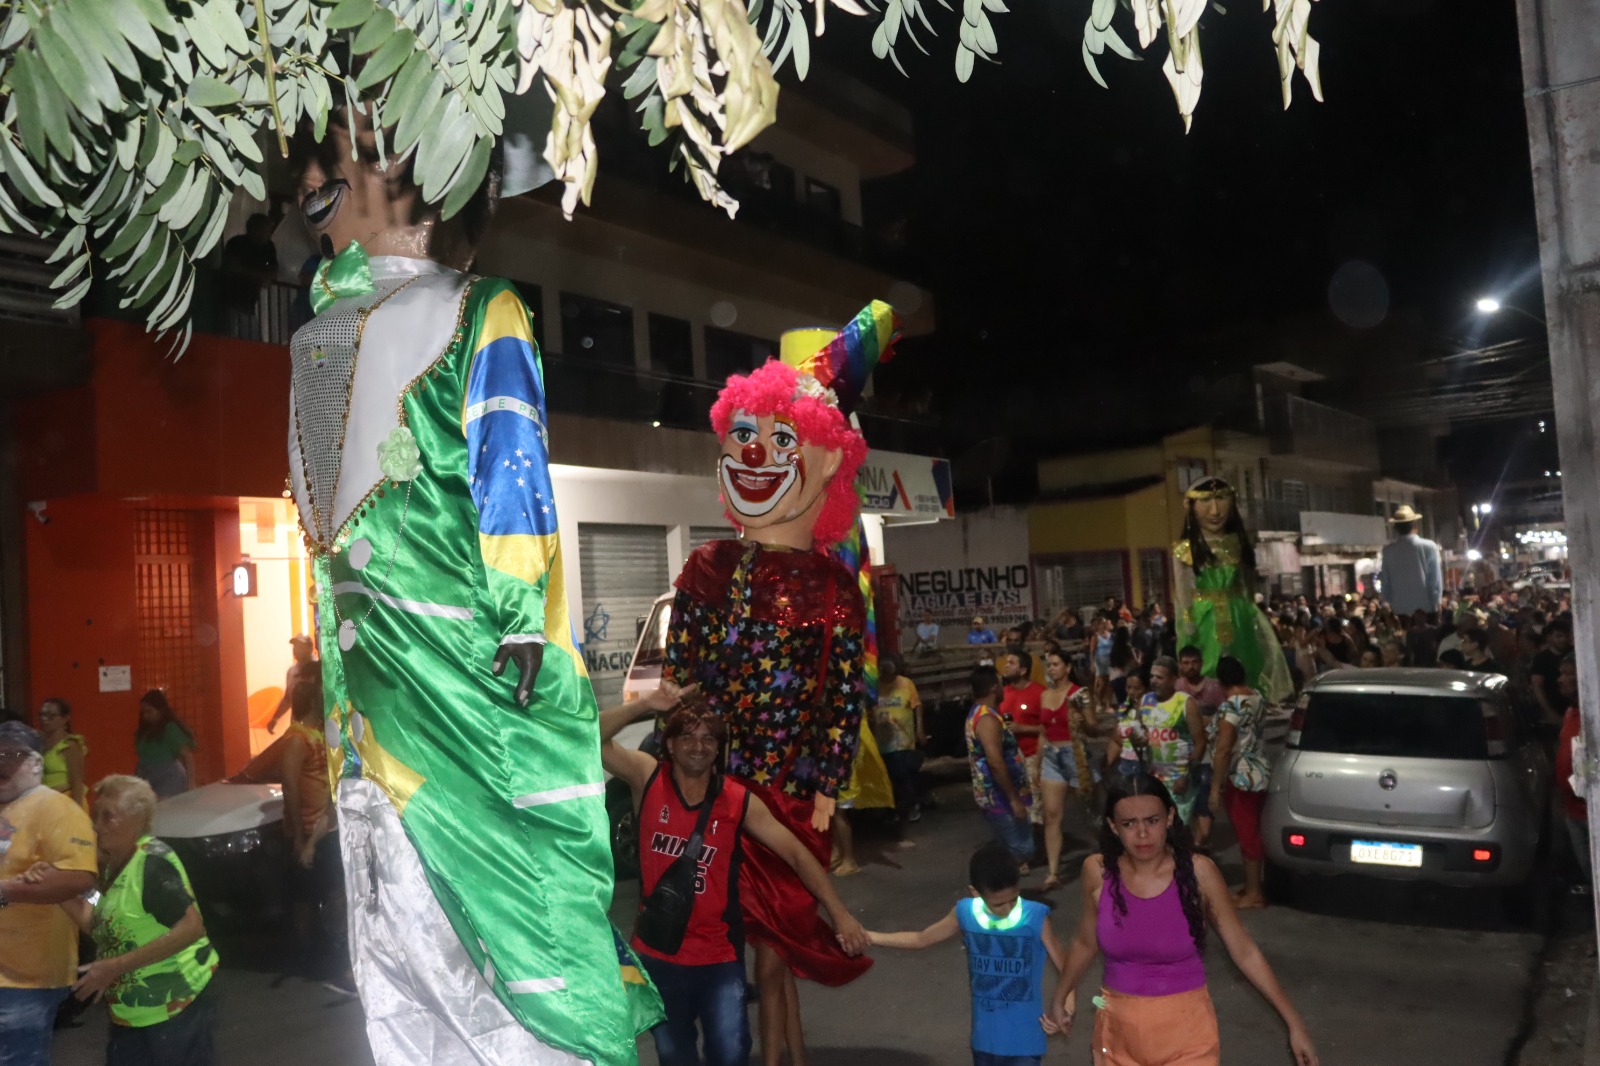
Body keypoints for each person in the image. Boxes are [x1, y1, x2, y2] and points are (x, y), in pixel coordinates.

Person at [599, 685, 869, 1066]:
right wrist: (644, 703)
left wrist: (839, 913)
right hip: (658, 954)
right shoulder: (648, 777)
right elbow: (589, 735)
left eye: (709, 739)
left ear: (719, 750)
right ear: (670, 745)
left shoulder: (737, 801)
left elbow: (796, 853)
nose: (698, 746)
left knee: (730, 1055)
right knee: (675, 1057)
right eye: (687, 737)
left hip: (718, 960)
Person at [1048, 773, 1318, 1066]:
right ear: (1113, 827)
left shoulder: (1199, 872)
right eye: (1129, 824)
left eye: (1152, 820)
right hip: (1117, 1035)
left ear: (1169, 817)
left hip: (1188, 1036)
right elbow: (1085, 943)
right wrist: (1060, 997)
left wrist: (1294, 1024)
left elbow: (1244, 950)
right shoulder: (1097, 871)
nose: (1142, 833)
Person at [54, 775, 218, 1065]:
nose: (97, 825)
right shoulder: (113, 863)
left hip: (175, 1006)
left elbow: (192, 928)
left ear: (138, 819)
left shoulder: (152, 864)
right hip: (133, 1012)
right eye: (96, 814)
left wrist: (115, 966)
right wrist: (59, 892)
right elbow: (102, 921)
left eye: (108, 816)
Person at [866, 843, 1069, 1066]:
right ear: (975, 893)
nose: (1007, 909)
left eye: (1013, 899)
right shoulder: (964, 912)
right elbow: (921, 938)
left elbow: (1067, 968)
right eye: (998, 904)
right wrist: (871, 937)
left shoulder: (1036, 916)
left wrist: (1066, 1008)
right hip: (984, 1041)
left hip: (1025, 1042)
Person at [0, 721, 98, 1066]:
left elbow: (77, 878)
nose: (3, 763)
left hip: (27, 977)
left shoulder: (57, 809)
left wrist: (5, 891)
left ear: (36, 764)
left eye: (13, 755)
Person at [1173, 478, 1294, 703]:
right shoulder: (1184, 549)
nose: (1215, 511)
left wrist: (1251, 610)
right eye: (1206, 502)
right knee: (1206, 663)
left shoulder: (1238, 543)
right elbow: (1182, 591)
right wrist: (1188, 620)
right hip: (1203, 617)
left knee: (1247, 660)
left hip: (1239, 615)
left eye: (1221, 501)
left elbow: (1247, 584)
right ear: (1192, 507)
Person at [1207, 656, 1272, 909]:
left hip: (1241, 776)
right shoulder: (1256, 697)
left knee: (1247, 833)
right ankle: (1251, 886)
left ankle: (1254, 893)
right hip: (1260, 770)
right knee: (1253, 830)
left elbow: (1224, 749)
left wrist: (1215, 787)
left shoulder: (1231, 706)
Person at [1038, 649, 1099, 890]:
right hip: (1052, 756)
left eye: (1056, 664)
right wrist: (1038, 764)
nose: (1051, 669)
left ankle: (1107, 849)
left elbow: (1093, 728)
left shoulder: (1079, 694)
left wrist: (1085, 722)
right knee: (1051, 815)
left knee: (1090, 812)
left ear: (1067, 667)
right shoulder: (1045, 695)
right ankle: (1053, 872)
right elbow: (1043, 731)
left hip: (1076, 754)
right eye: (1049, 665)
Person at [966, 666, 1033, 867]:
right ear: (994, 688)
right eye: (1001, 684)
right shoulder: (986, 719)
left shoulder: (984, 714)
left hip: (997, 795)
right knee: (1021, 848)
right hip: (999, 796)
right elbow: (995, 762)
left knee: (1012, 847)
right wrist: (1014, 799)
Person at [1138, 657, 1206, 827]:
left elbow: (1200, 743)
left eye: (1159, 677)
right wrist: (1137, 740)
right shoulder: (1145, 701)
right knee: (1157, 827)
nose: (1154, 681)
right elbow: (1140, 735)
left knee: (1178, 828)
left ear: (1174, 679)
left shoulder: (1185, 703)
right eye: (1152, 676)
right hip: (1154, 779)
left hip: (1179, 780)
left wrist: (1185, 776)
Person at [1175, 645, 1225, 850]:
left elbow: (1225, 717)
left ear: (1201, 663)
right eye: (1186, 663)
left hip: (1208, 756)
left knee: (1204, 802)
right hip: (1180, 757)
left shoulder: (1214, 688)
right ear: (1179, 665)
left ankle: (1198, 845)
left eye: (1194, 662)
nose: (1191, 667)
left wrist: (1205, 721)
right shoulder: (1176, 687)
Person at [872, 652, 926, 825]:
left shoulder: (906, 684)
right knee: (887, 777)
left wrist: (919, 729)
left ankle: (911, 805)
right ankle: (893, 810)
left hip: (902, 740)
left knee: (902, 773)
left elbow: (917, 706)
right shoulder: (874, 686)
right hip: (882, 741)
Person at [999, 648, 1046, 827]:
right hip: (1011, 760)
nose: (1006, 666)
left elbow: (1049, 728)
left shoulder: (1040, 693)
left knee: (1035, 810)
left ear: (1023, 670)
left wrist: (1022, 728)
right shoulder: (1003, 693)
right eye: (1006, 662)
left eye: (1011, 663)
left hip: (1032, 758)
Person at [220, 211, 282, 340]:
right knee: (232, 336)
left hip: (251, 302)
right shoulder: (237, 243)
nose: (267, 233)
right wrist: (260, 275)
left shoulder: (269, 247)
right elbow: (232, 267)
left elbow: (273, 272)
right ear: (253, 228)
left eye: (268, 230)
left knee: (252, 337)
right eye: (264, 229)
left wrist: (257, 275)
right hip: (231, 299)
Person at [1555, 655, 1588, 886]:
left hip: (1588, 811)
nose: (1560, 679)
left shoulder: (1591, 715)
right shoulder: (1571, 713)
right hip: (1574, 809)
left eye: (1567, 674)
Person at [1378, 505, 1443, 619]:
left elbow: (1385, 582)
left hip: (1399, 611)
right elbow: (1434, 581)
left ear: (1396, 528)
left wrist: (1386, 603)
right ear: (1415, 525)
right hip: (1426, 609)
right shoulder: (1429, 547)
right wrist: (1437, 602)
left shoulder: (1388, 551)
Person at [133, 689, 196, 799]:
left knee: (164, 806)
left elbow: (188, 756)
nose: (145, 716)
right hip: (145, 775)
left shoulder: (170, 728)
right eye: (143, 712)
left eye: (149, 712)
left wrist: (191, 783)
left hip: (168, 776)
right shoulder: (144, 730)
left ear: (160, 710)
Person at [37, 698, 87, 809]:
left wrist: (76, 810)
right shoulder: (38, 742)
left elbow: (77, 782)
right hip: (45, 802)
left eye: (51, 716)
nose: (44, 719)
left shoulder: (70, 745)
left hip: (66, 801)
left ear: (65, 718)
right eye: (42, 715)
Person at [266, 634, 319, 733]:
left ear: (310, 648)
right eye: (295, 646)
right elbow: (287, 699)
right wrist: (275, 718)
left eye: (300, 646)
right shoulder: (291, 672)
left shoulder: (320, 670)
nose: (295, 650)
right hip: (297, 730)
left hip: (316, 731)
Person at [1106, 671, 1151, 779]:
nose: (1131, 692)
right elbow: (1116, 737)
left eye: (1136, 688)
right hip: (1125, 764)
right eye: (1128, 687)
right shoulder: (1124, 708)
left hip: (1146, 764)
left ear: (1146, 689)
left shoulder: (1152, 709)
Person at [1531, 618, 1574, 725]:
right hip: (1555, 710)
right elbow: (1537, 686)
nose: (1563, 639)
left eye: (1566, 636)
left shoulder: (1576, 653)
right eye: (1559, 636)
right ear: (1549, 637)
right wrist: (1550, 713)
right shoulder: (1541, 659)